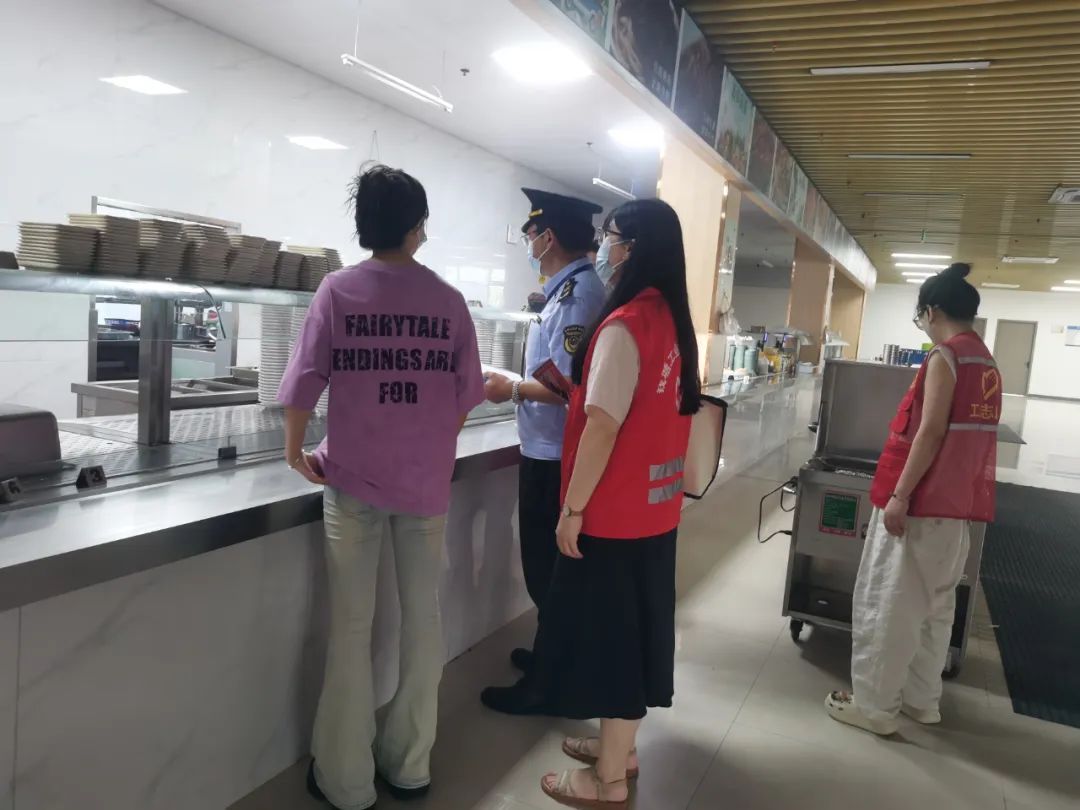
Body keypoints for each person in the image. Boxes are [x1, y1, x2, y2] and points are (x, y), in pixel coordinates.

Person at [278, 164, 485, 810]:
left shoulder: (337, 291)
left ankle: (345, 781)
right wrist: (430, 444)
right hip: (424, 488)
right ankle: (409, 765)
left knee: (350, 628)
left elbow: (303, 382)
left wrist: (293, 452)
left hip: (351, 483)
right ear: (417, 226)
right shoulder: (448, 302)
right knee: (424, 622)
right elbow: (463, 397)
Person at [532, 199, 701, 808]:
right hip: (655, 513)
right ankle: (618, 751)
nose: (605, 246)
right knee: (631, 640)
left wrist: (572, 509)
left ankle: (606, 782)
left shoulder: (625, 325)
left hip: (612, 515)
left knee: (612, 649)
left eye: (612, 236)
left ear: (632, 247)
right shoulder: (671, 319)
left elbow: (602, 425)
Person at [826, 262, 1001, 736]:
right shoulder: (984, 361)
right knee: (935, 610)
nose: (921, 323)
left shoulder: (945, 357)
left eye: (920, 315)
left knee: (889, 607)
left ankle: (875, 708)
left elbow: (930, 431)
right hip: (955, 511)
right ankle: (922, 702)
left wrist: (900, 496)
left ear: (932, 311)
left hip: (921, 507)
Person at [481, 188, 605, 714]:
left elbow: (569, 387)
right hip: (547, 446)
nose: (528, 242)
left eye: (530, 234)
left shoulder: (577, 296)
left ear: (548, 237)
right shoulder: (567, 290)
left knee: (547, 569)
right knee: (548, 570)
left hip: (554, 454)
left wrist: (510, 388)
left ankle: (549, 685)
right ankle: (551, 659)